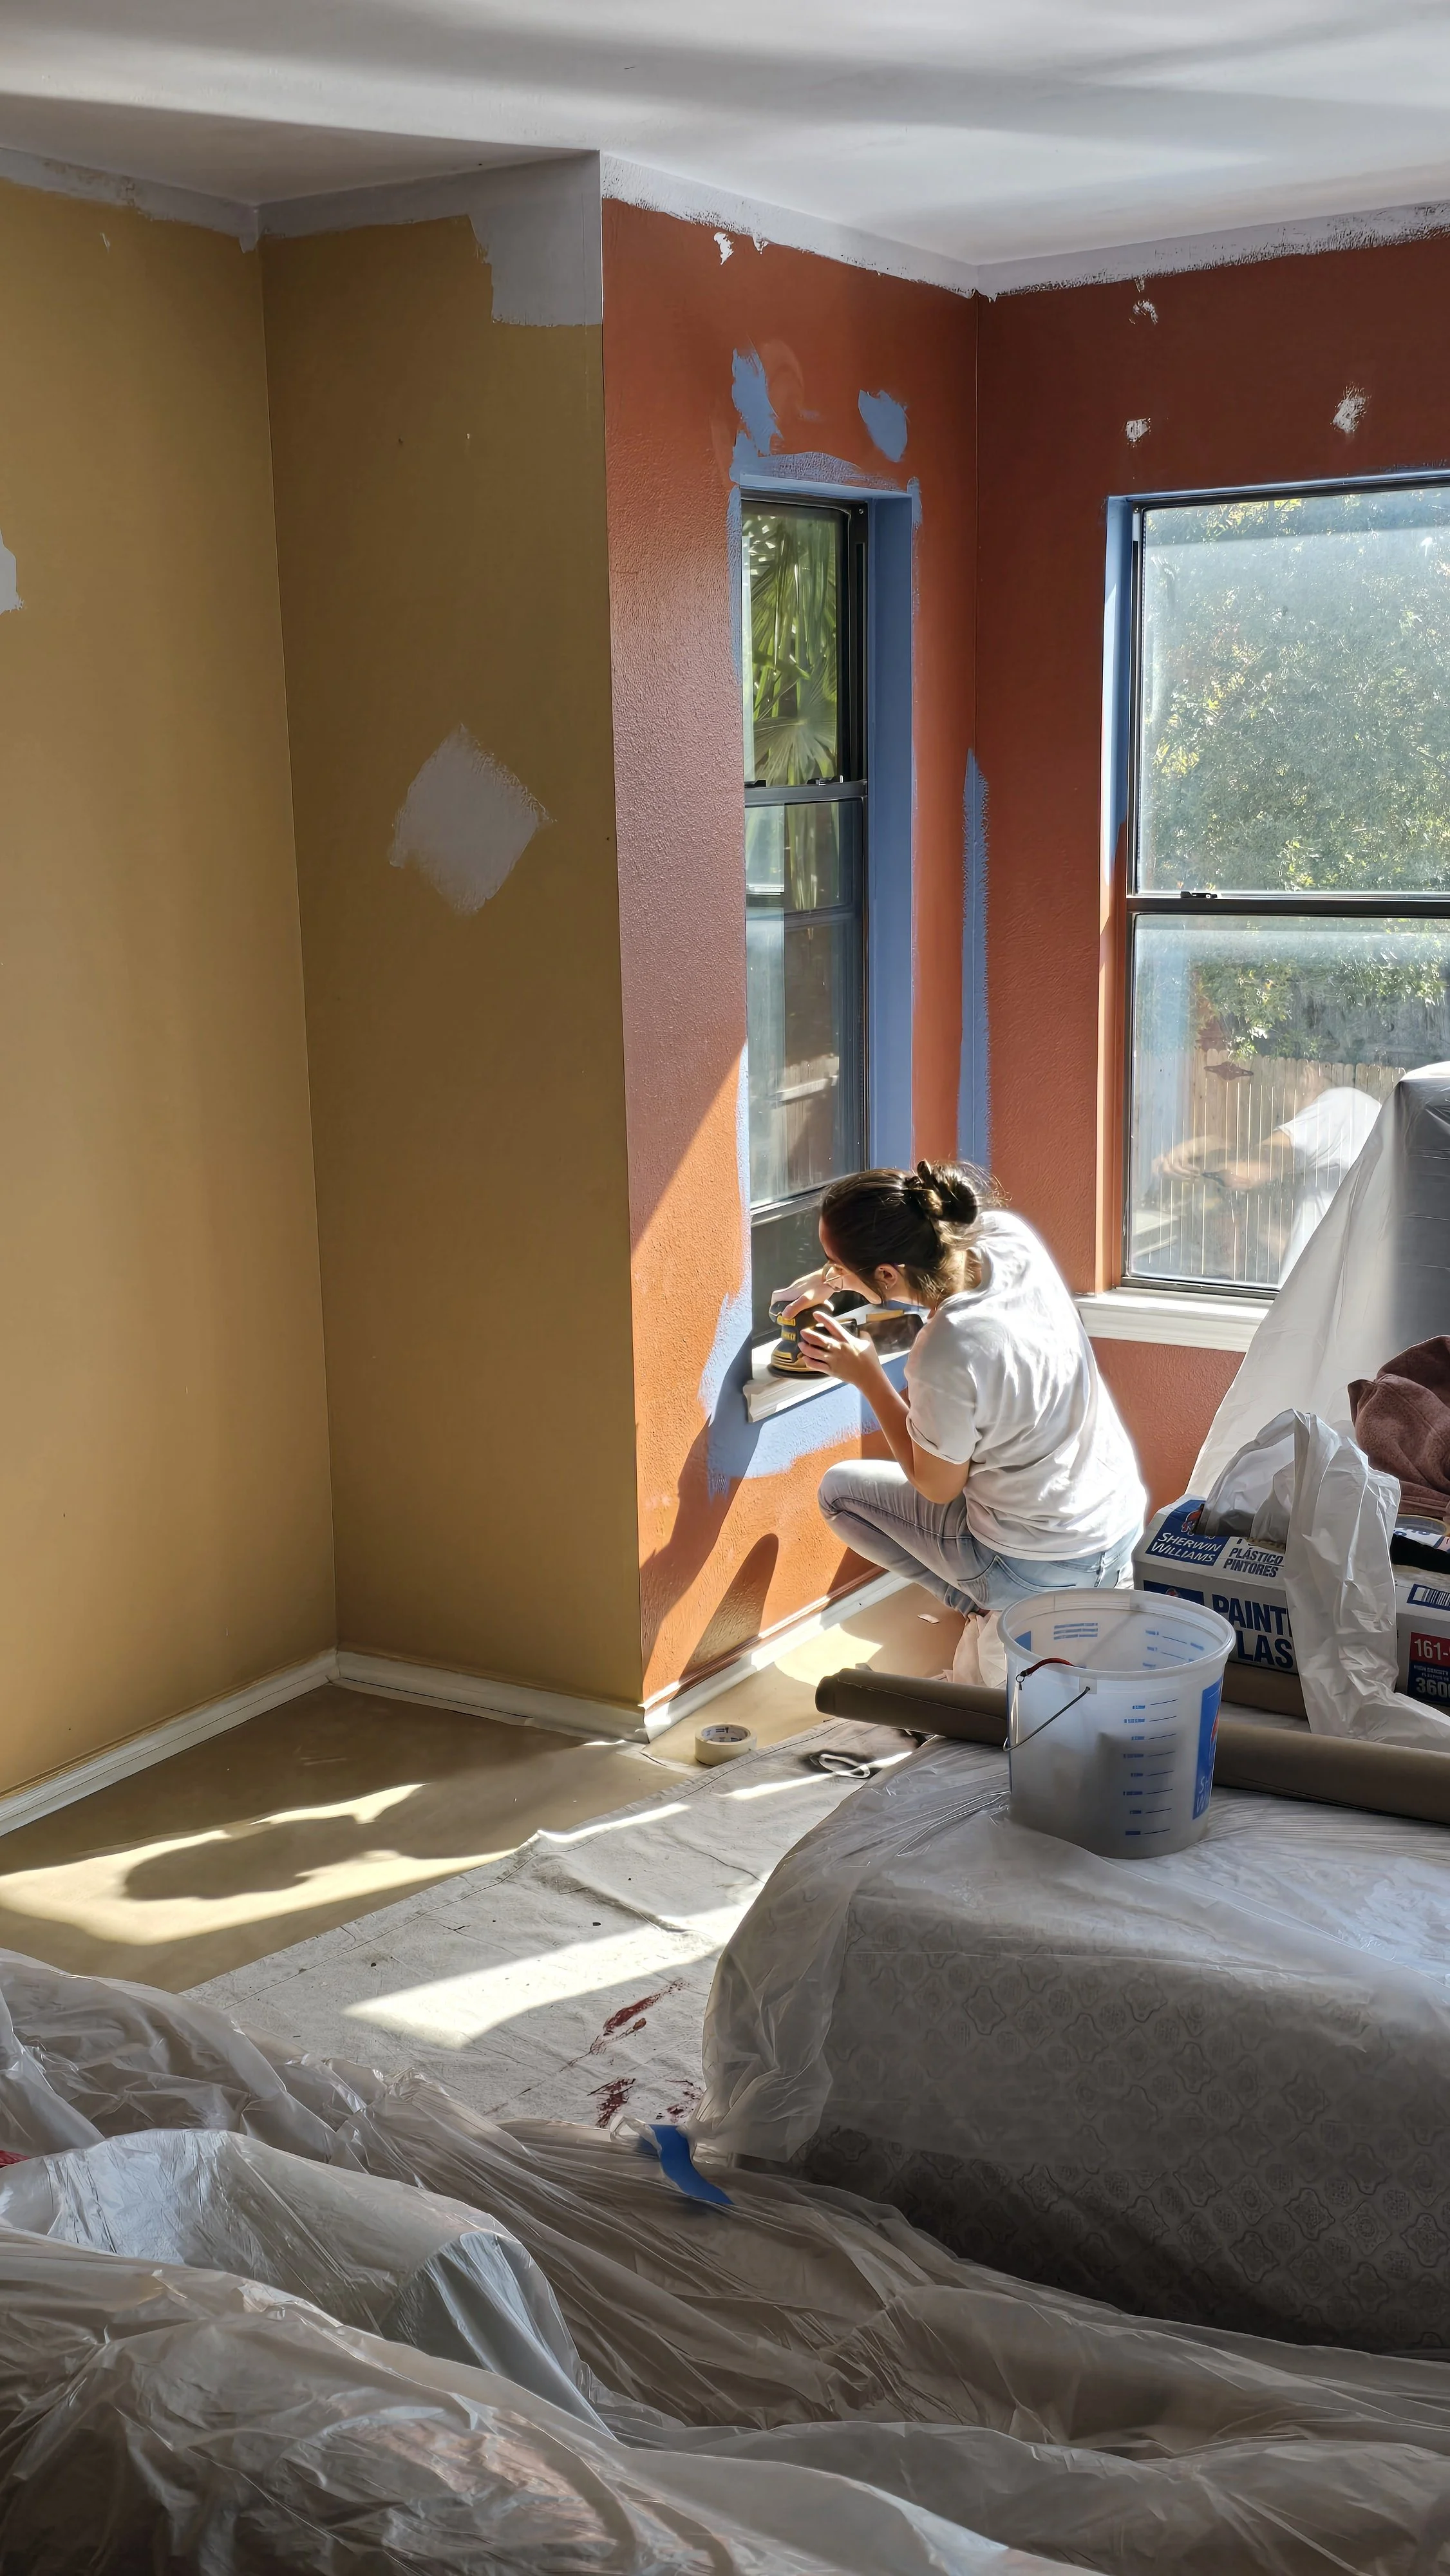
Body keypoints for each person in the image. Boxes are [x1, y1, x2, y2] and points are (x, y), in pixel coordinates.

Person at [781, 1160, 1147, 1674]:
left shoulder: (946, 1348)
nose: (831, 1273)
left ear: (886, 1274)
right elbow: (929, 1281)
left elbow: (937, 1487)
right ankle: (997, 1602)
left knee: (839, 1494)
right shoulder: (1007, 1239)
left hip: (1036, 1568)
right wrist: (836, 1279)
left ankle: (987, 1604)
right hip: (1115, 1527)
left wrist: (869, 1378)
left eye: (836, 1264)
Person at [1154, 1079, 1382, 1281]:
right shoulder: (1367, 1125)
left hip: (1307, 1309)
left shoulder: (1343, 1107)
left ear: (1308, 1074)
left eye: (1280, 1095)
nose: (1282, 1114)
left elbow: (1246, 1171)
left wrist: (1197, 1149)